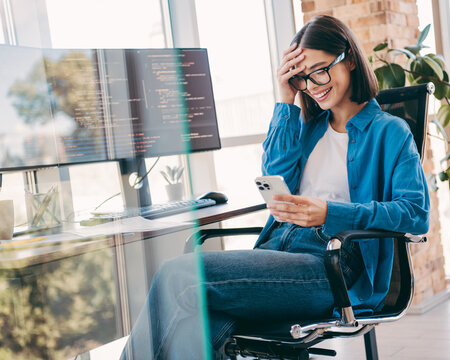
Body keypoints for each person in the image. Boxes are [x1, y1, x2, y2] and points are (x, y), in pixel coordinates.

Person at [121, 15, 430, 360]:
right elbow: (275, 175)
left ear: (350, 59)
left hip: (332, 263)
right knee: (197, 324)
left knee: (176, 276)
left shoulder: (391, 131)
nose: (312, 85)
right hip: (279, 249)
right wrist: (285, 100)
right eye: (301, 77)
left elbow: (415, 215)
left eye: (320, 70)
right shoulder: (310, 128)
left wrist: (330, 213)